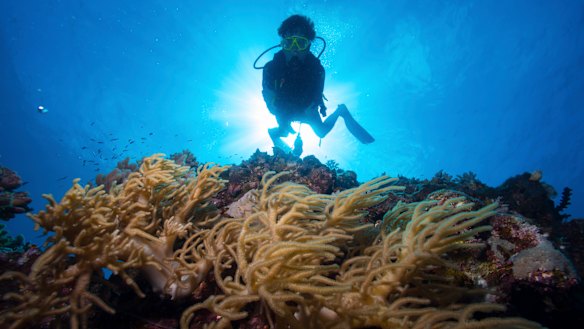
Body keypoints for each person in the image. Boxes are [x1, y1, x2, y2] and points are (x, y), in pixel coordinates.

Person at [262, 14, 375, 155]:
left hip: (306, 108)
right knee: (281, 131)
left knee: (321, 132)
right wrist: (279, 112)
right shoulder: (270, 69)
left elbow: (317, 94)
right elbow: (267, 95)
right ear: (282, 44)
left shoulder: (317, 70)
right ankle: (278, 133)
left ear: (308, 46)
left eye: (301, 43)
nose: (295, 49)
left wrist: (314, 106)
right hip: (284, 109)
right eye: (289, 43)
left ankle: (341, 111)